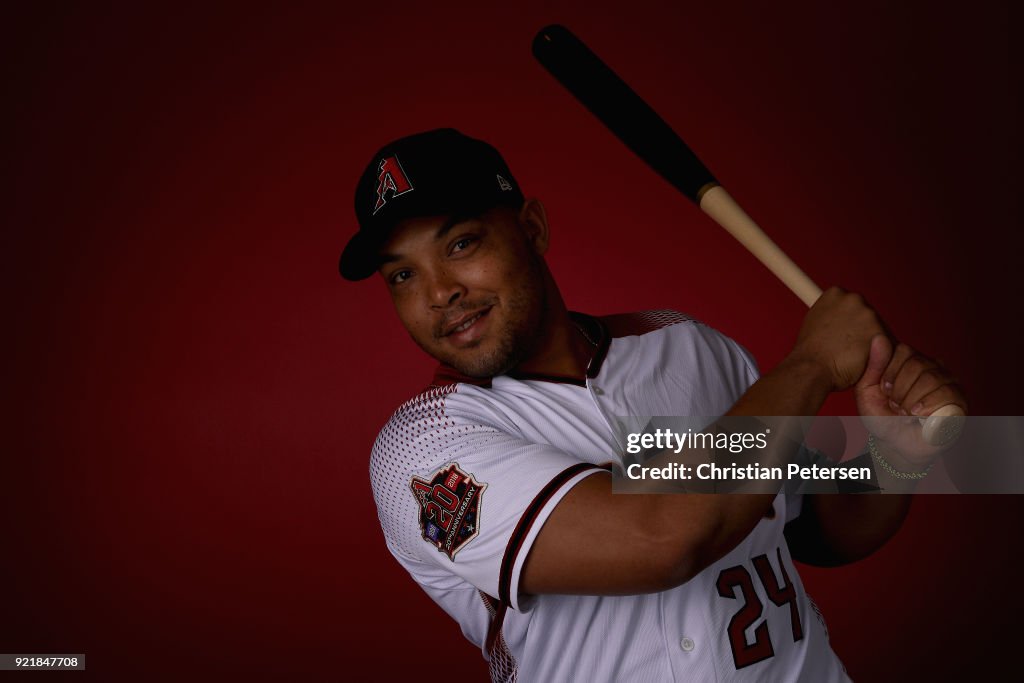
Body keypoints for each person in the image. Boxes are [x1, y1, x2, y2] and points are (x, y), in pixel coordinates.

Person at [339, 128, 967, 682]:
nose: (440, 292)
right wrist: (811, 366)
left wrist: (899, 454)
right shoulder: (422, 447)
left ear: (532, 229)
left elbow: (822, 526)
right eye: (402, 275)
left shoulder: (687, 345)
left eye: (460, 244)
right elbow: (663, 538)